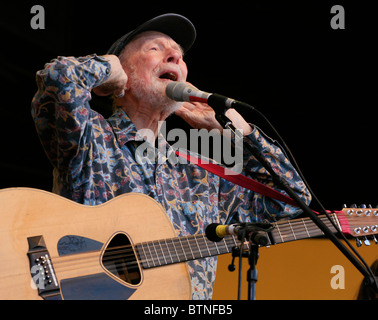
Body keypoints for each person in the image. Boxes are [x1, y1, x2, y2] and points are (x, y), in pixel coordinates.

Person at [31, 13, 311, 300]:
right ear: (121, 79)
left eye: (179, 54)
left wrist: (239, 133)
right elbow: (58, 79)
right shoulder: (90, 138)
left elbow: (290, 199)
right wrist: (107, 66)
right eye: (155, 48)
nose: (174, 56)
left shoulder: (201, 174)